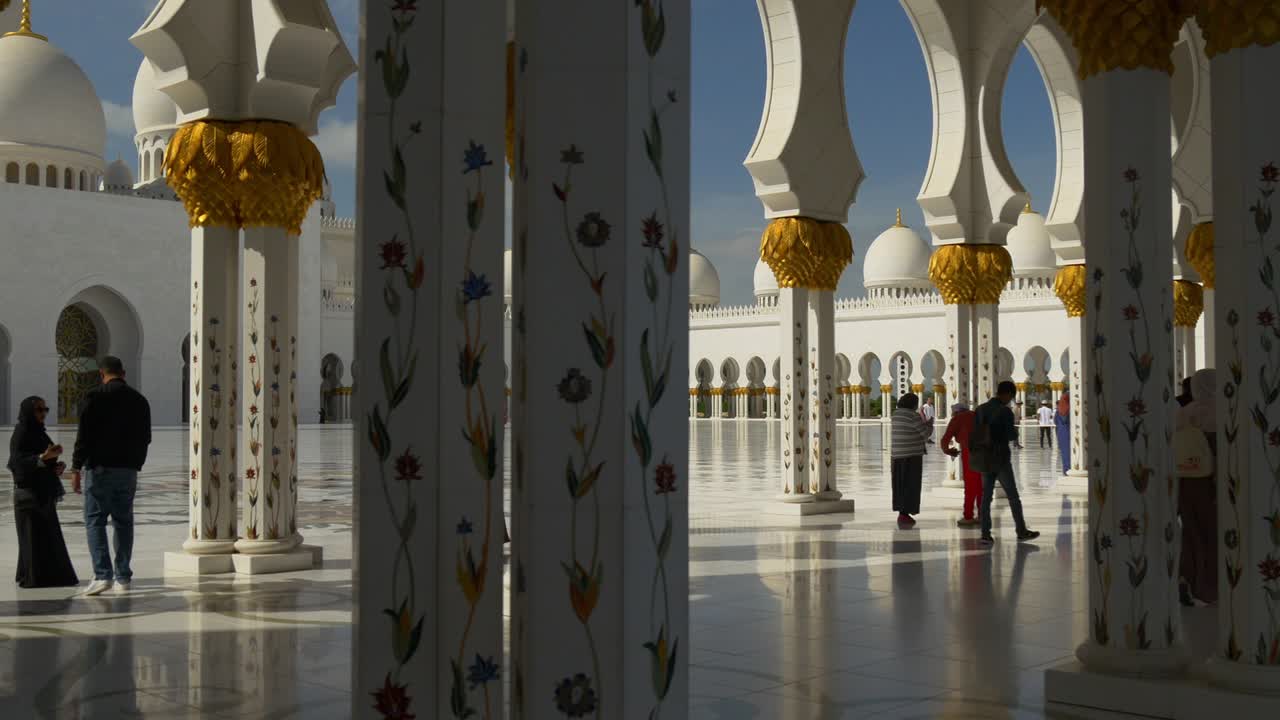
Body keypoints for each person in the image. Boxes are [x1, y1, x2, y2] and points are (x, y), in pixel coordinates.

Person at [71, 356, 152, 596]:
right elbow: (145, 438)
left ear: (101, 374)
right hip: (127, 470)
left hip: (100, 469)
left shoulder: (94, 397)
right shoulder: (139, 400)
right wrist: (135, 464)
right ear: (123, 372)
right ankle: (123, 577)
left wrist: (76, 468)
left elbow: (83, 436)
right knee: (123, 521)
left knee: (95, 520)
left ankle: (102, 575)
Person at [7, 397, 79, 588]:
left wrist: (56, 465)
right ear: (29, 412)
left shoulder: (39, 432)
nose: (43, 414)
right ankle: (35, 577)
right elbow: (16, 463)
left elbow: (44, 460)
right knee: (32, 537)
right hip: (29, 495)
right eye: (39, 410)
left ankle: (47, 575)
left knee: (46, 536)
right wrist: (42, 458)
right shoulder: (21, 432)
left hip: (42, 493)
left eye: (45, 409)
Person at [975, 381, 1039, 546]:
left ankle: (985, 534)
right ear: (1008, 394)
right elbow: (1011, 436)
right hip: (1001, 459)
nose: (1011, 399)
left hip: (984, 458)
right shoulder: (1005, 412)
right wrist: (1014, 431)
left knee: (985, 498)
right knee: (1013, 497)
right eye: (1012, 396)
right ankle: (1021, 531)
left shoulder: (980, 409)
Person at [1175, 368, 1217, 606]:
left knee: (1190, 533)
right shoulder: (1224, 410)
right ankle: (1207, 587)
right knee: (1212, 535)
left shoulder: (1186, 413)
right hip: (1212, 482)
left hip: (1186, 479)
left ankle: (1185, 579)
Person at [890, 392, 930, 528]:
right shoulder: (913, 415)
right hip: (911, 456)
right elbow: (925, 434)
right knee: (910, 485)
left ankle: (902, 513)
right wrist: (929, 424)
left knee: (900, 485)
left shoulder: (895, 414)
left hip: (897, 456)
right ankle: (905, 514)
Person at [940, 402, 981, 527]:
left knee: (970, 486)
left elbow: (945, 439)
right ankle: (983, 515)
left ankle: (968, 516)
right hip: (984, 453)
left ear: (955, 412)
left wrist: (948, 450)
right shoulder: (976, 415)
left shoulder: (957, 418)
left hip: (970, 453)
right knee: (981, 486)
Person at [1054, 392, 1071, 475]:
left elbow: (1055, 422)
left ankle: (1066, 470)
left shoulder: (1058, 411)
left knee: (1065, 454)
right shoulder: (1070, 410)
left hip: (1062, 434)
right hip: (1068, 433)